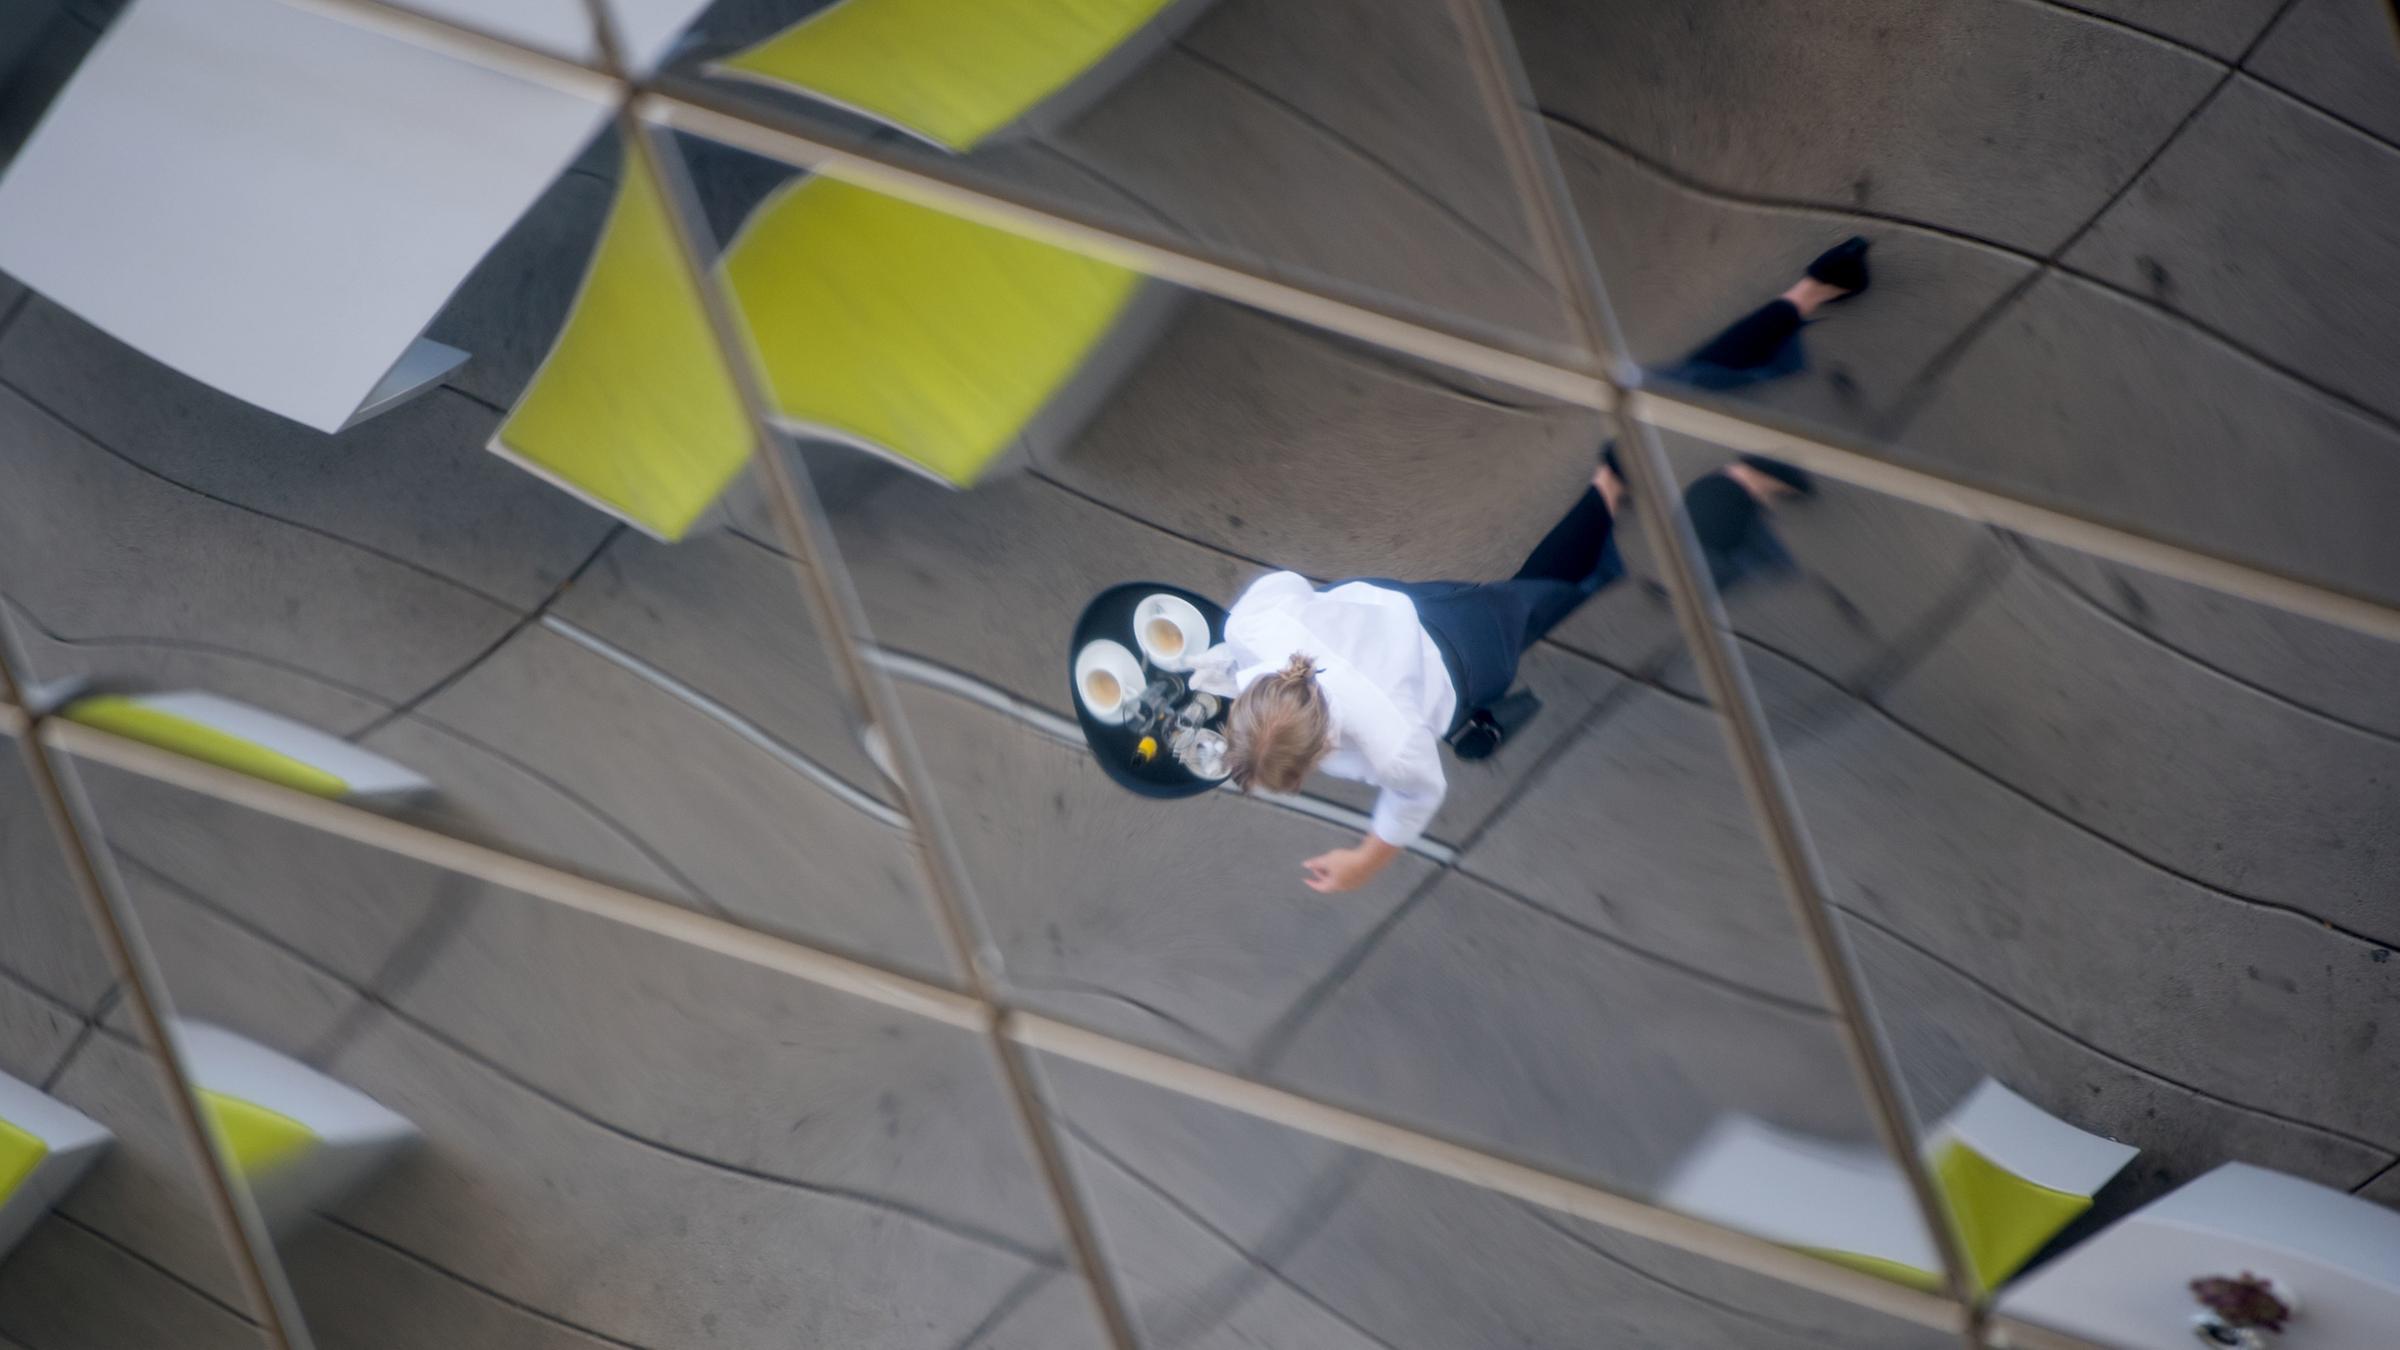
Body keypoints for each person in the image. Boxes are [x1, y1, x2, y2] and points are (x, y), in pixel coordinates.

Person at [1202, 237, 1871, 894]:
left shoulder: (1389, 739)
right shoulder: (1255, 628)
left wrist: (1365, 860)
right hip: (1412, 607)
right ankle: (1786, 328)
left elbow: (1416, 797)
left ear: (1323, 750)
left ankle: (1721, 482)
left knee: (1593, 559)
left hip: (1468, 648)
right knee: (1649, 439)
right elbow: (1290, 586)